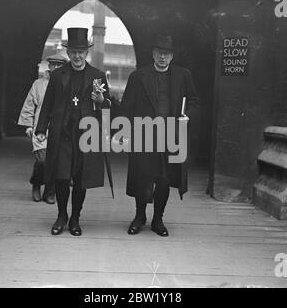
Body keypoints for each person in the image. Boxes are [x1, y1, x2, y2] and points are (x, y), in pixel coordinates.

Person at [119, 34, 200, 237]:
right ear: (153, 54)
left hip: (170, 135)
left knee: (164, 179)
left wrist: (186, 116)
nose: (162, 57)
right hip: (143, 134)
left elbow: (194, 101)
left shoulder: (183, 75)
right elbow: (126, 106)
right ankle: (139, 216)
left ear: (172, 56)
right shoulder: (138, 77)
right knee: (142, 177)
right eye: (159, 53)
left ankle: (157, 219)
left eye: (167, 53)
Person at [35, 27, 112, 236]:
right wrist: (41, 129)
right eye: (73, 52)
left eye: (81, 52)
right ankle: (61, 216)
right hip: (63, 135)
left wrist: (101, 101)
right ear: (68, 53)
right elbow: (48, 105)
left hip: (86, 137)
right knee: (61, 177)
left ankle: (76, 218)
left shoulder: (97, 76)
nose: (77, 56)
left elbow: (107, 107)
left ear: (86, 52)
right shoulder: (58, 75)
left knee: (80, 179)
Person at [18, 54, 68, 204]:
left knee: (57, 162)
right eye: (53, 65)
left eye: (59, 65)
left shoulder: (67, 84)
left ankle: (50, 191)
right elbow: (29, 105)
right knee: (43, 160)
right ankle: (36, 184)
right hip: (41, 130)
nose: (56, 68)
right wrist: (28, 125)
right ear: (49, 66)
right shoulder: (38, 84)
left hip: (59, 129)